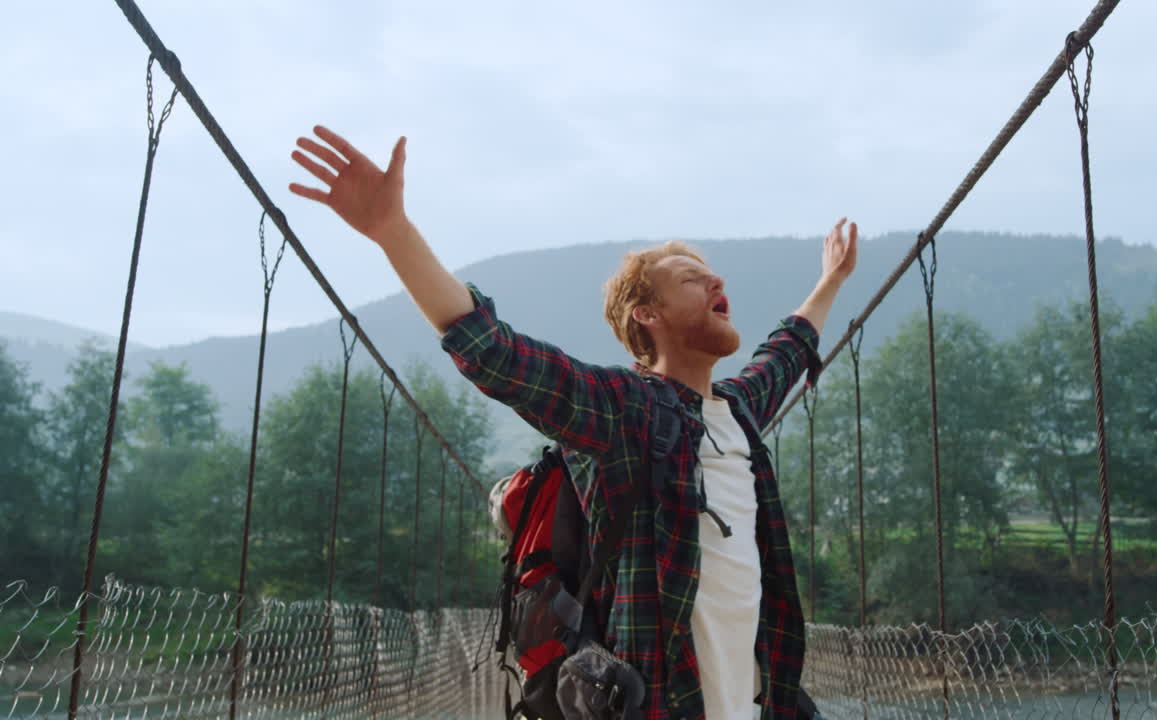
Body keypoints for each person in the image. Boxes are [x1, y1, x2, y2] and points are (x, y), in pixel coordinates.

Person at [289, 126, 858, 720]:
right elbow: (495, 352)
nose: (717, 282)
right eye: (693, 278)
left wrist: (832, 280)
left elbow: (788, 349)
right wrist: (393, 233)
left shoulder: (737, 413)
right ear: (648, 314)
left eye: (714, 277)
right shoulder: (621, 410)